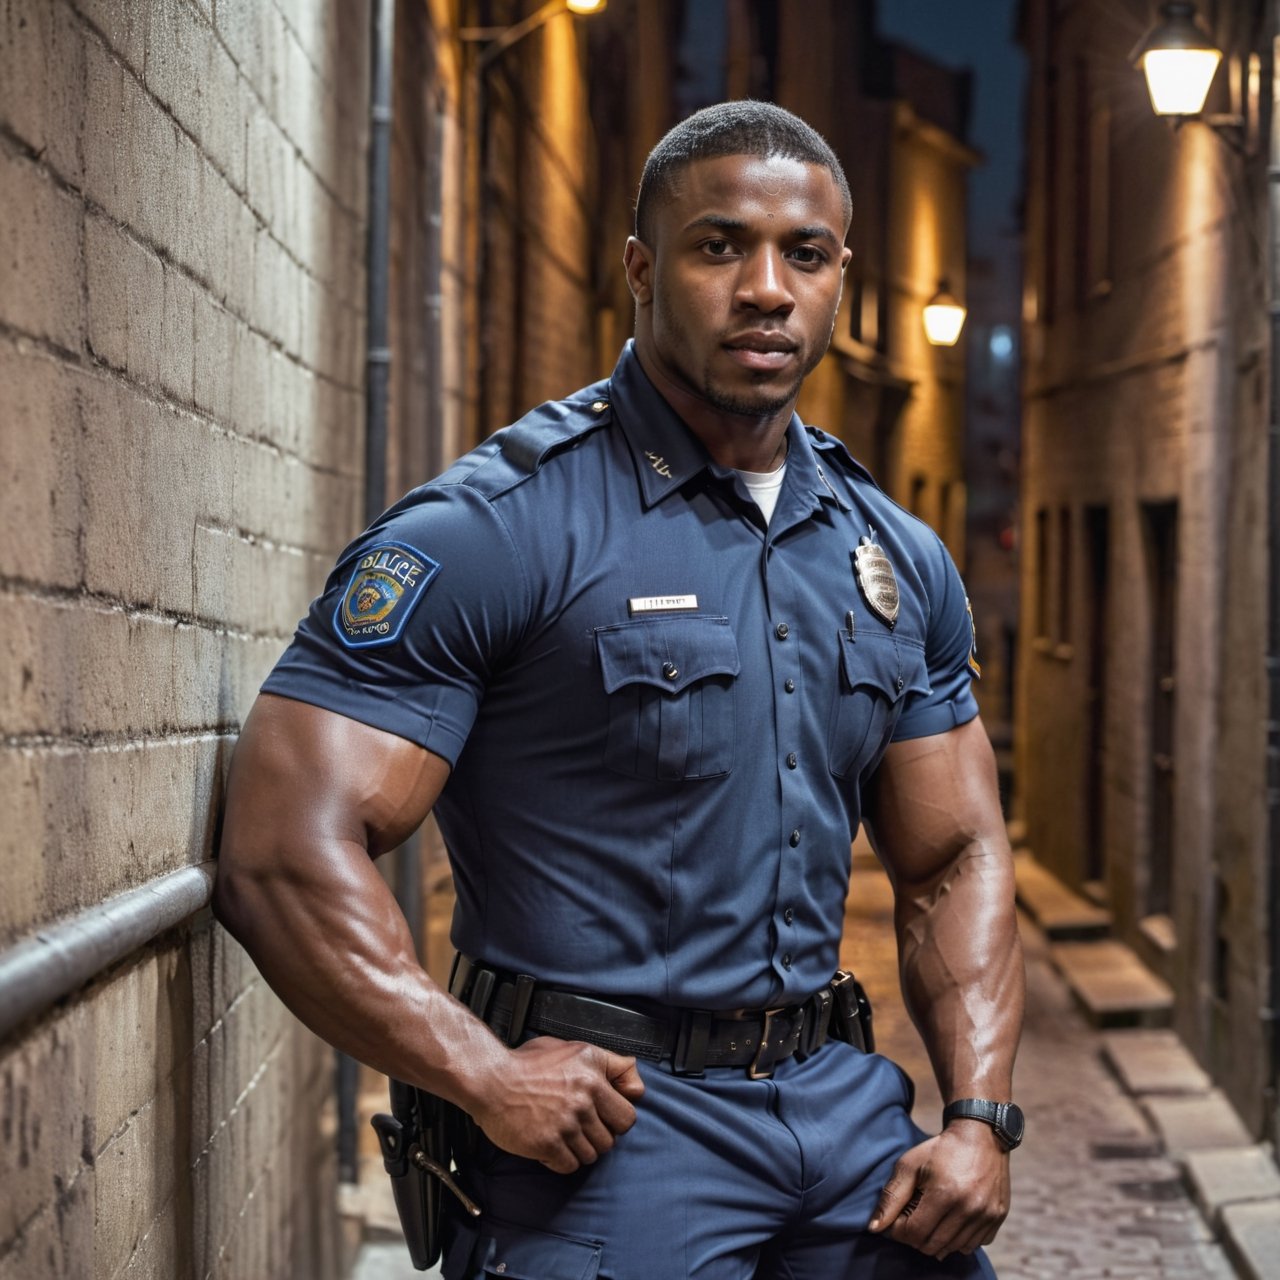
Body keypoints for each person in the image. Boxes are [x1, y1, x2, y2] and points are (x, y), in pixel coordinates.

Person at [215, 100, 1024, 1279]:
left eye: (802, 254)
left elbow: (951, 853)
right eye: (717, 246)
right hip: (611, 1136)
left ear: (840, 274)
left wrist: (975, 1116)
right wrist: (480, 1070)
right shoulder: (498, 528)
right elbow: (281, 845)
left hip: (836, 1113)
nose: (764, 287)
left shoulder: (891, 554)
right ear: (640, 269)